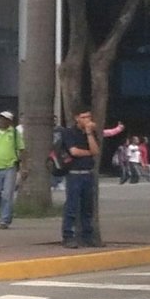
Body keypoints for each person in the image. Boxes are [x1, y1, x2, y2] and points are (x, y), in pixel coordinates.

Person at [61, 106, 100, 248]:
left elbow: (95, 150)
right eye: (84, 117)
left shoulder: (91, 133)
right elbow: (74, 152)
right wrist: (88, 152)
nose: (87, 120)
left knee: (87, 207)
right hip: (74, 174)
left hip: (87, 173)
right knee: (71, 206)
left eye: (89, 117)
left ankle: (87, 236)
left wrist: (89, 133)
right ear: (77, 118)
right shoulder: (69, 133)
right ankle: (68, 236)